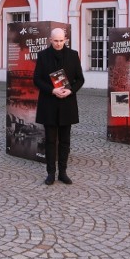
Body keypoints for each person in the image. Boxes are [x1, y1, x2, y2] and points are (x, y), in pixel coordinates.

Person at [33, 27, 85, 185]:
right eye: (55, 41)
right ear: (50, 40)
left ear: (65, 39)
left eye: (61, 40)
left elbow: (80, 79)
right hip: (49, 103)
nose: (58, 43)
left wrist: (70, 91)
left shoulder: (73, 55)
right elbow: (37, 80)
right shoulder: (42, 56)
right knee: (50, 140)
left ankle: (63, 172)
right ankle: (50, 173)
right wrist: (52, 90)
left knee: (65, 140)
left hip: (67, 103)